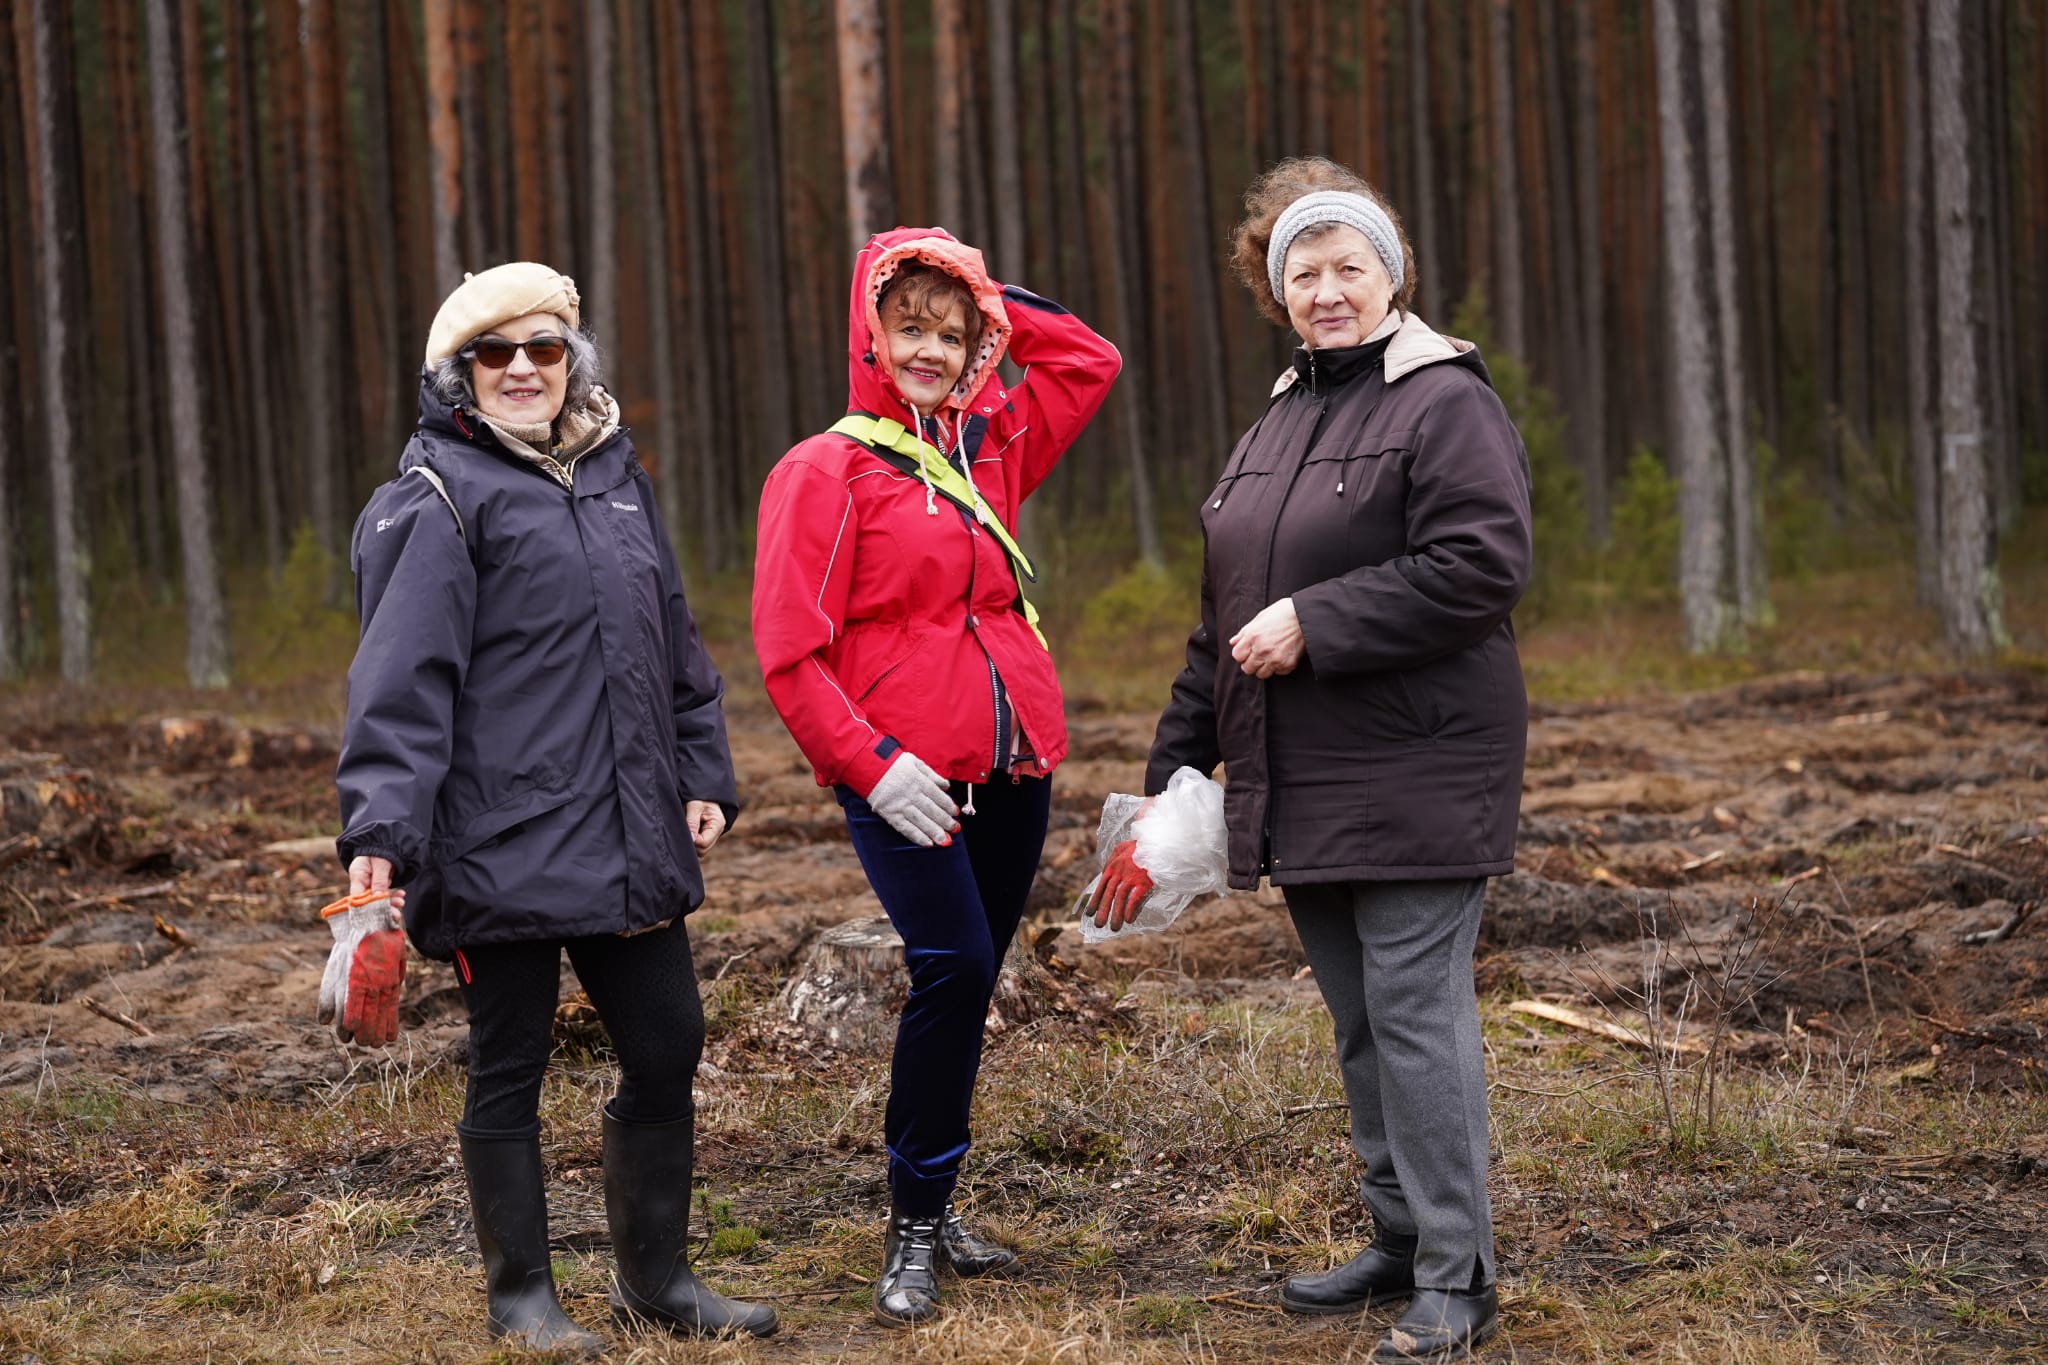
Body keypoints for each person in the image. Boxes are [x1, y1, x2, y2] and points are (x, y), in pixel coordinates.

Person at [1093, 158, 1531, 1362]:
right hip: (1304, 778)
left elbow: (1481, 564)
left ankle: (1457, 1277)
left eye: (1348, 267)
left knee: (1415, 1017)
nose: (1326, 291)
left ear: (1391, 277)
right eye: (1303, 273)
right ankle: (1399, 1240)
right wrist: (1170, 774)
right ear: (1274, 291)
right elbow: (1220, 622)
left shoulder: (1443, 402)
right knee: (1360, 1025)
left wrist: (1315, 620)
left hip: (1420, 768)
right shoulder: (1276, 423)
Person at [334, 262, 776, 1354]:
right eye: (497, 353)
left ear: (571, 360)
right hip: (497, 837)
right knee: (510, 1063)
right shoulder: (436, 495)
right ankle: (521, 1297)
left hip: (627, 827)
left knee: (668, 1040)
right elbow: (399, 679)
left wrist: (702, 770)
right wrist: (380, 830)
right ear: (463, 374)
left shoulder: (616, 474)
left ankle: (656, 1281)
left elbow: (672, 639)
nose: (523, 369)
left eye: (544, 348)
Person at [752, 227, 1118, 1326]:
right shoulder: (824, 469)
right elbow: (789, 655)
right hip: (902, 776)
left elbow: (1086, 360)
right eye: (908, 325)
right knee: (952, 966)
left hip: (1012, 765)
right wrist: (870, 767)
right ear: (869, 334)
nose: (929, 350)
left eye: (952, 336)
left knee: (973, 979)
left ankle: (941, 1197)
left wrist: (982, 291)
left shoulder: (985, 450)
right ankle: (912, 1223)